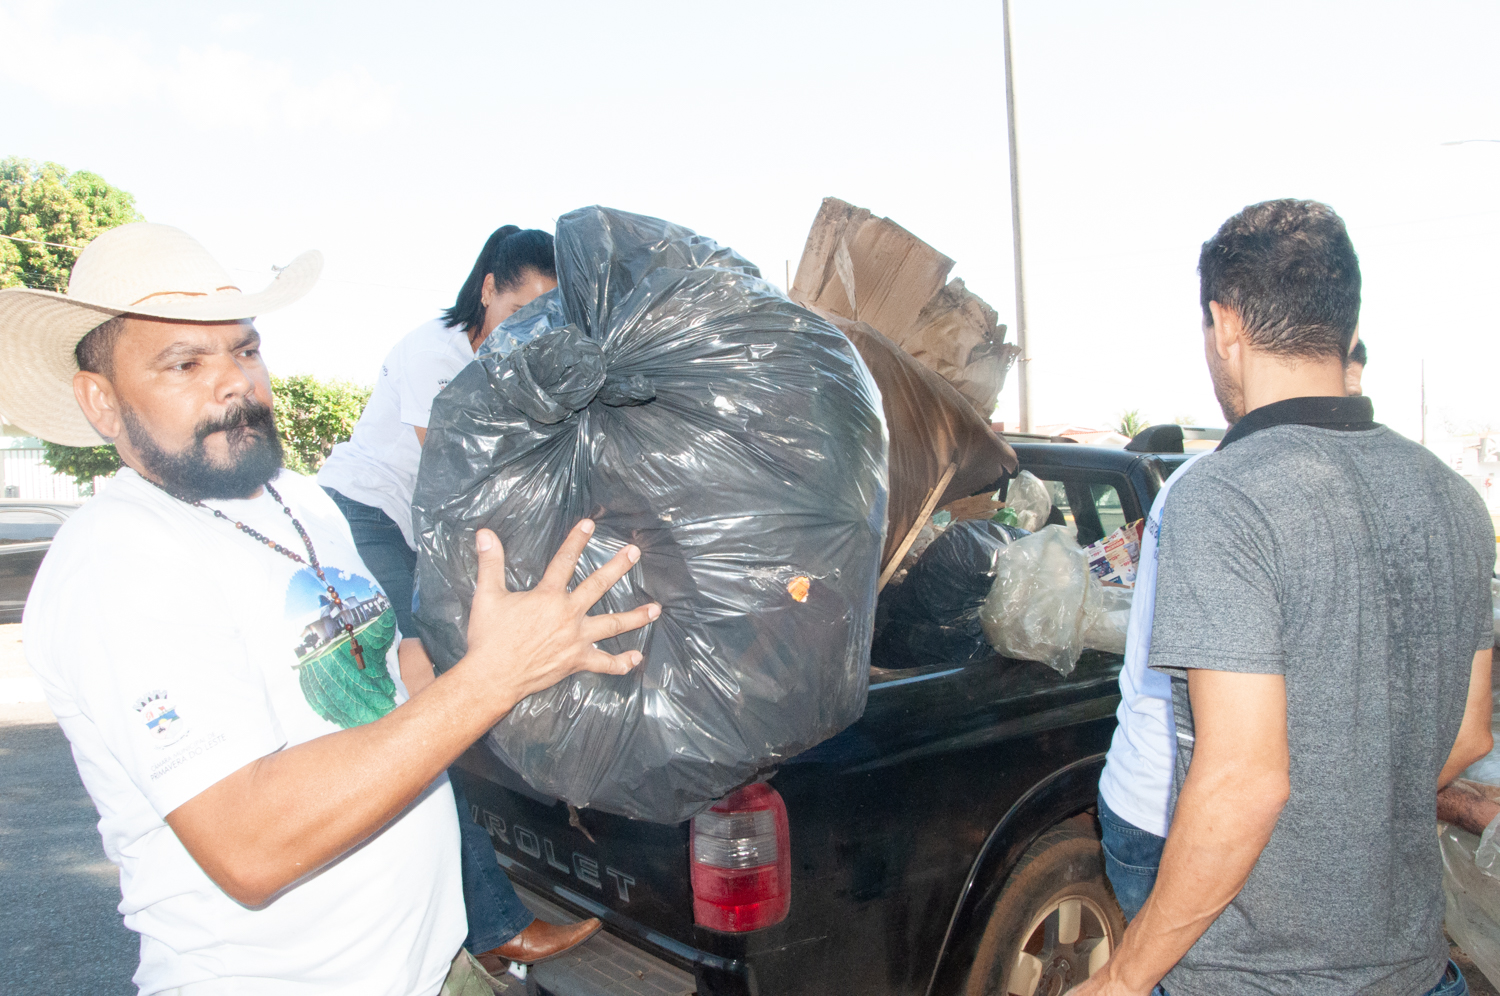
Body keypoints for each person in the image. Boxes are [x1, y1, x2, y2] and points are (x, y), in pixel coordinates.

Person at [0, 222, 658, 995]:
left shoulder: (304, 505)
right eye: (185, 363)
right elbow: (250, 844)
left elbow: (385, 677)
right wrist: (491, 677)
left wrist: (478, 648)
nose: (234, 384)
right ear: (100, 402)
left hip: (438, 967)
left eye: (245, 351)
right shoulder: (119, 562)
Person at [1075, 199, 1495, 996]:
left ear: (1225, 322)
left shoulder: (1227, 497)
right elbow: (1471, 730)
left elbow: (1242, 781)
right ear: (1345, 321)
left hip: (1257, 976)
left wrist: (1123, 979)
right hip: (1415, 967)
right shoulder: (1454, 499)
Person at [316, 227, 586, 971]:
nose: (536, 323)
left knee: (444, 694)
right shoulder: (433, 352)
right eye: (526, 303)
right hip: (363, 520)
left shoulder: (509, 359)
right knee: (426, 705)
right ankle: (494, 921)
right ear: (490, 287)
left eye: (551, 311)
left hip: (416, 534)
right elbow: (463, 467)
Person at [1097, 299, 1376, 920]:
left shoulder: (1211, 487)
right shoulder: (1231, 494)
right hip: (1182, 811)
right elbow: (1245, 772)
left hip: (1163, 800)